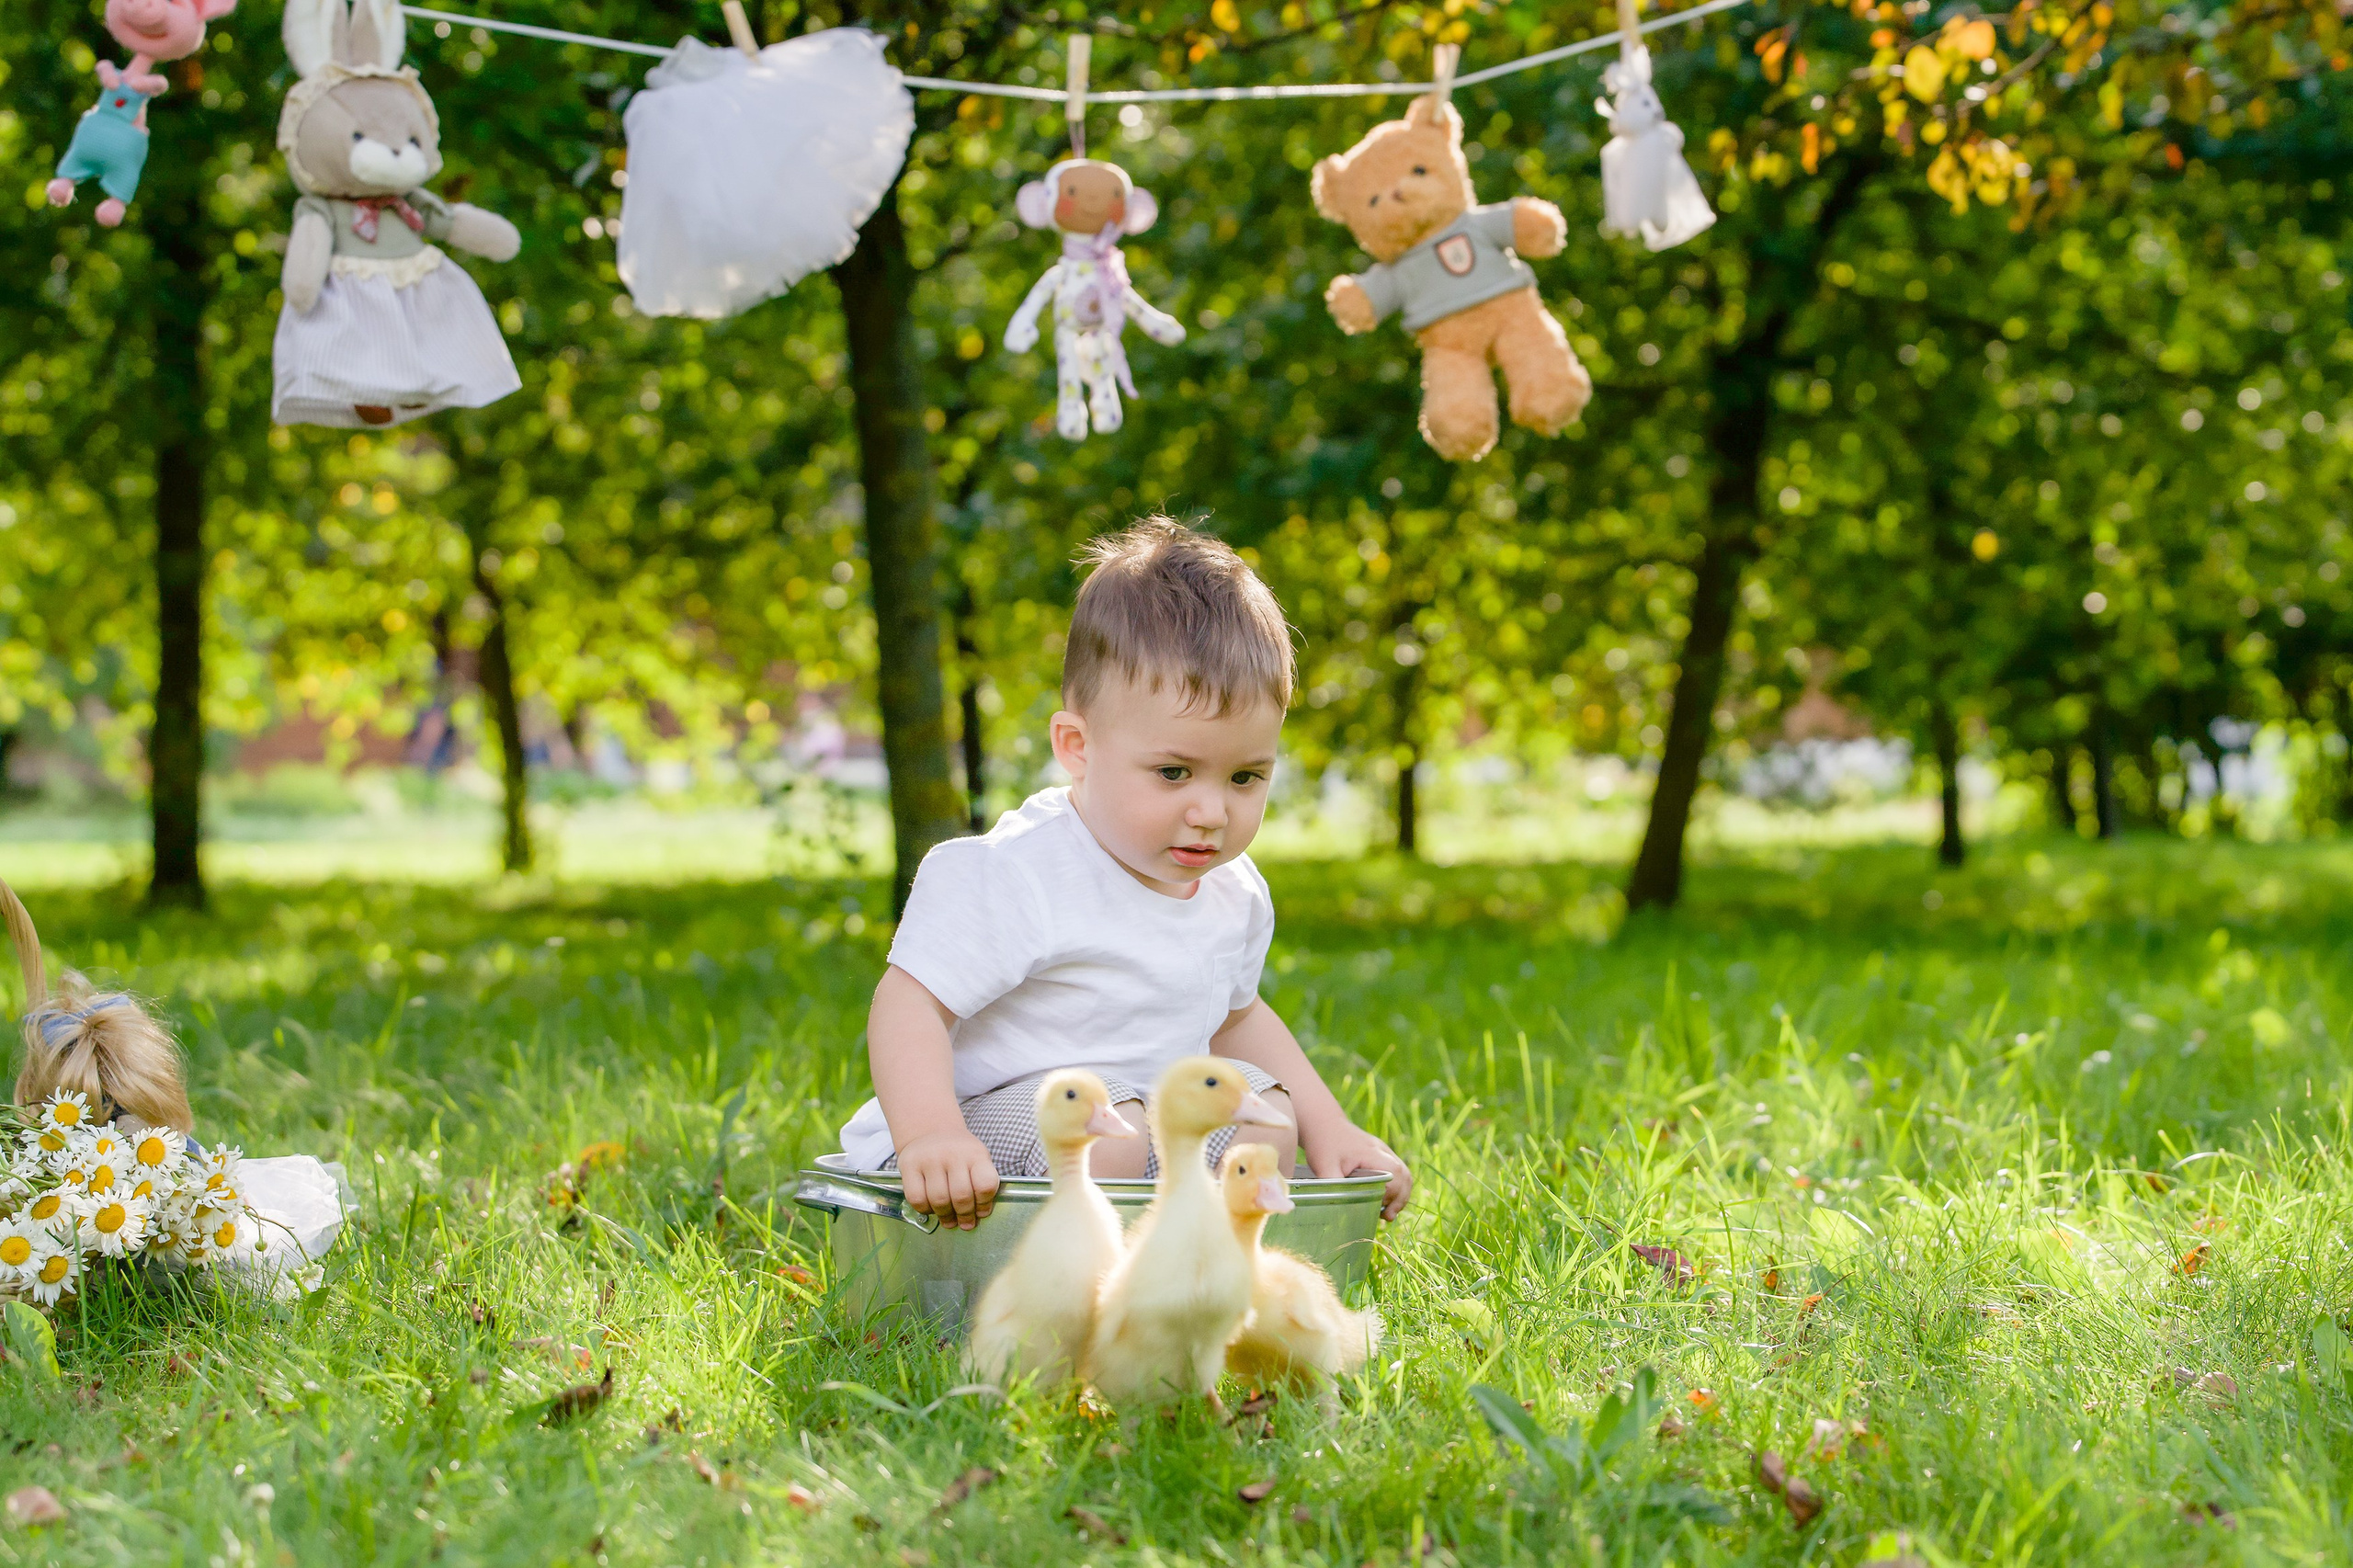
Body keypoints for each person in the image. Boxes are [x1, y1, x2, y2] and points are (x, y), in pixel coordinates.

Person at [837, 517, 1413, 1229]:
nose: (1211, 811)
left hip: (1139, 1130)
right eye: (1174, 772)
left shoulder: (1232, 893)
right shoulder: (1021, 873)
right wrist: (929, 1133)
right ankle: (1066, 1303)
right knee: (1107, 1124)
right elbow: (909, 1005)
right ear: (1078, 747)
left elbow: (1237, 1019)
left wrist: (1333, 1131)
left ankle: (1198, 1284)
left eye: (1244, 776)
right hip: (973, 1147)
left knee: (1264, 1115)